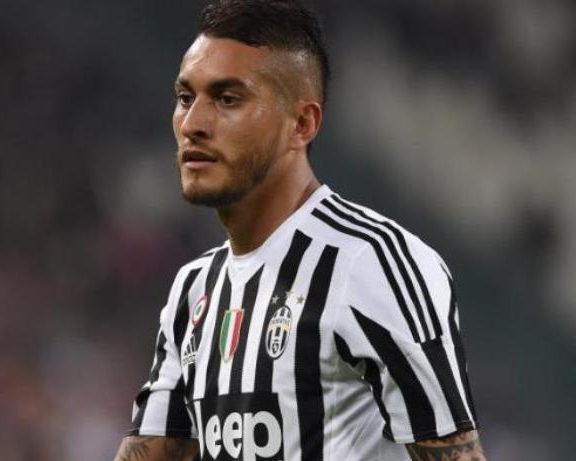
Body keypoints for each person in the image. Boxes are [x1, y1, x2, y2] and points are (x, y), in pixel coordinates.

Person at [113, 1, 486, 460]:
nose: (193, 125)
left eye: (228, 99)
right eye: (186, 98)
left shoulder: (374, 263)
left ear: (302, 123)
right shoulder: (193, 290)